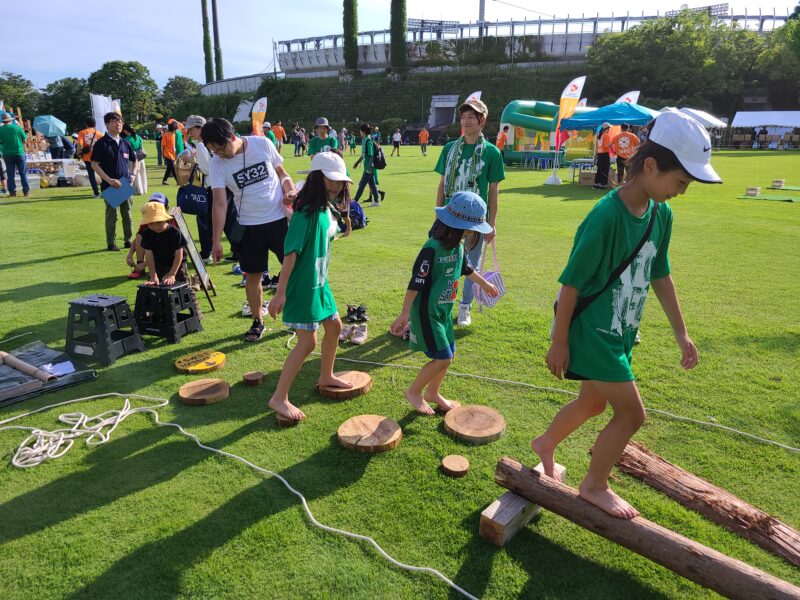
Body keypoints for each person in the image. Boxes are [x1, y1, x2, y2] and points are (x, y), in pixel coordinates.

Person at [533, 111, 721, 519]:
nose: (682, 192)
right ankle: (593, 485)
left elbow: (660, 273)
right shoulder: (605, 217)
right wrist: (559, 341)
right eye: (681, 182)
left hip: (620, 332)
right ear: (650, 166)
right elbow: (572, 284)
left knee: (594, 404)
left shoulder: (660, 213)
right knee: (632, 413)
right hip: (593, 332)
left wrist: (681, 333)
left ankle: (545, 443)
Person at [390, 191, 499, 415]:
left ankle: (433, 393)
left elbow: (466, 269)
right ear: (460, 226)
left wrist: (485, 285)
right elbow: (415, 284)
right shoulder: (431, 248)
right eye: (472, 229)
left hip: (443, 311)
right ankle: (414, 391)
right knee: (443, 357)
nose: (472, 234)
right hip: (426, 312)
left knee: (449, 354)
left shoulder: (458, 246)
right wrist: (404, 315)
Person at [266, 152, 354, 422]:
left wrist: (347, 222)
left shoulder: (326, 210)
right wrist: (279, 293)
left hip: (320, 284)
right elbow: (290, 254)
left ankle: (326, 375)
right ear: (317, 178)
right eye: (331, 180)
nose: (337, 186)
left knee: (335, 327)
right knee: (307, 342)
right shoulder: (304, 214)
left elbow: (332, 234)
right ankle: (278, 398)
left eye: (340, 182)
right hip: (303, 287)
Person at [203, 117, 298, 342]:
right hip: (248, 226)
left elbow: (282, 174)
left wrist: (290, 190)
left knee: (294, 269)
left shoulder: (261, 144)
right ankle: (258, 320)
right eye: (213, 150)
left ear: (232, 137)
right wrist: (216, 241)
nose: (219, 153)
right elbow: (219, 203)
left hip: (278, 221)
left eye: (220, 147)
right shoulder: (217, 163)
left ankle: (297, 315)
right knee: (253, 276)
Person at [434, 98, 505, 327]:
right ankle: (439, 304)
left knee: (470, 266)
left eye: (471, 117)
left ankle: (465, 307)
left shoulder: (492, 153)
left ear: (482, 121)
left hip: (474, 220)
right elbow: (442, 184)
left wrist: (492, 224)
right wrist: (438, 215)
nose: (465, 122)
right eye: (463, 117)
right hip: (448, 216)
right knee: (443, 261)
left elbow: (493, 191)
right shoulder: (449, 149)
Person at [139, 201, 202, 318]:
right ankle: (153, 314)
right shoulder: (147, 234)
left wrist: (172, 274)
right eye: (151, 223)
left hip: (177, 263)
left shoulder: (175, 233)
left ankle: (196, 315)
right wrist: (153, 275)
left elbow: (179, 254)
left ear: (165, 219)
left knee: (185, 288)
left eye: (159, 222)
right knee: (153, 288)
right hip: (158, 262)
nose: (156, 226)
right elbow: (148, 255)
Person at [90, 112, 139, 251]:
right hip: (110, 185)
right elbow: (94, 164)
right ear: (106, 124)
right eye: (114, 121)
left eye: (120, 122)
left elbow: (135, 160)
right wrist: (109, 180)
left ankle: (128, 240)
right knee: (112, 216)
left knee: (127, 214)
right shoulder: (102, 143)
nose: (118, 124)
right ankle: (111, 242)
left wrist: (133, 175)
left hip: (125, 184)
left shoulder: (125, 142)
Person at [126, 191, 170, 279]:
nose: (155, 208)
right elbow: (137, 239)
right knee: (140, 236)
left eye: (158, 205)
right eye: (153, 205)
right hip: (152, 250)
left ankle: (155, 269)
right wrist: (129, 255)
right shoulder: (147, 220)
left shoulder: (171, 222)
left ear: (165, 208)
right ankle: (139, 268)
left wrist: (145, 263)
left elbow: (171, 250)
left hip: (168, 254)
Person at [352, 122, 382, 207]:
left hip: (369, 167)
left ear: (363, 131)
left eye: (360, 131)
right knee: (371, 184)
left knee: (362, 184)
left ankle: (355, 200)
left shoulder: (368, 141)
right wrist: (357, 163)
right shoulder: (365, 140)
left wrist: (368, 168)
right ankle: (376, 201)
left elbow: (371, 155)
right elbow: (364, 154)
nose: (360, 133)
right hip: (368, 167)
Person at [77, 117, 103, 198]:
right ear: (95, 124)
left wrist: (78, 153)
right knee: (103, 175)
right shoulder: (100, 134)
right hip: (99, 157)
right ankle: (105, 191)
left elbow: (79, 144)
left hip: (88, 157)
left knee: (91, 176)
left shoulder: (82, 132)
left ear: (86, 124)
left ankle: (96, 193)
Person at [122, 123, 147, 195]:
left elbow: (125, 152)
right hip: (141, 158)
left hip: (132, 159)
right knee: (142, 173)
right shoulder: (138, 137)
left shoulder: (126, 139)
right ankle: (143, 189)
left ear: (125, 131)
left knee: (134, 174)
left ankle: (138, 191)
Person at [593, 122, 613, 189]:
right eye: (609, 128)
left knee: (599, 169)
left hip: (599, 154)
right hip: (604, 154)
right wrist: (612, 144)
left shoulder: (599, 135)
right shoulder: (606, 136)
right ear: (607, 129)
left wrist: (595, 155)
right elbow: (606, 146)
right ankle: (602, 184)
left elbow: (597, 147)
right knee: (604, 169)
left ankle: (597, 183)